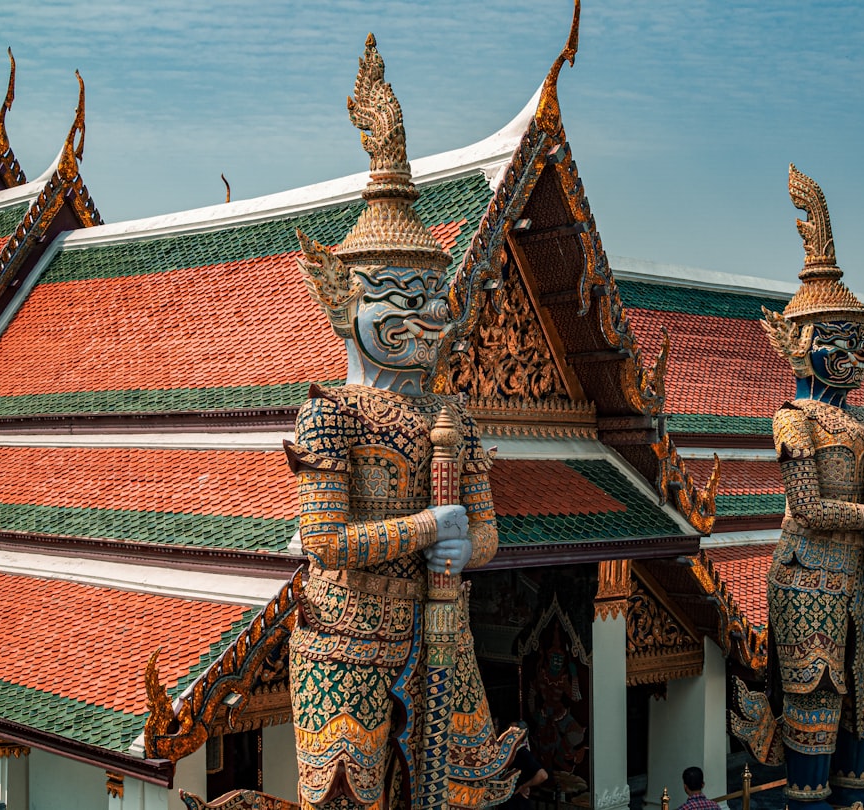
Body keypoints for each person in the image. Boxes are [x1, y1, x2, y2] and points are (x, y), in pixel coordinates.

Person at [286, 34, 518, 808]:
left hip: (439, 633)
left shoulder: (450, 416)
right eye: (398, 293)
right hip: (341, 641)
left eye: (431, 296)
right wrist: (427, 528)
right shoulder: (330, 418)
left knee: (468, 795)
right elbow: (324, 543)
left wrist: (467, 540)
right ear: (343, 299)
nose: (423, 316)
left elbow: (484, 532)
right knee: (349, 798)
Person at [755, 166, 864, 810]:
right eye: (840, 340)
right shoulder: (793, 419)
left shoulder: (858, 422)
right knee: (817, 705)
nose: (856, 353)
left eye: (861, 339)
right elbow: (809, 508)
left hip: (855, 579)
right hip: (807, 579)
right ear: (800, 345)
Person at [499, 724, 548, 810]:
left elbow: (543, 775)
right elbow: (495, 746)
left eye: (512, 732)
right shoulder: (507, 752)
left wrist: (524, 786)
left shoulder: (522, 753)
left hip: (517, 802)